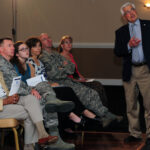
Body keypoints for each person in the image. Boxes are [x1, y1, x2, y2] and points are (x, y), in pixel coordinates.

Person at [0, 37, 75, 150]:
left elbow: (16, 83)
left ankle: (41, 136)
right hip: (4, 102)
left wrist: (30, 91)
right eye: (9, 45)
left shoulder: (8, 63)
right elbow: (15, 84)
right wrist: (28, 91)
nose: (12, 48)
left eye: (12, 45)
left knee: (33, 100)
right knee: (36, 105)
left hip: (12, 96)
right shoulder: (3, 63)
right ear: (1, 49)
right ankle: (39, 141)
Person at [39, 33, 123, 128]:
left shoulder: (55, 54)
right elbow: (54, 74)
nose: (49, 40)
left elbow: (71, 68)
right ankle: (104, 117)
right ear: (40, 43)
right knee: (84, 94)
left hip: (67, 80)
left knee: (92, 92)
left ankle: (106, 116)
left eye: (49, 37)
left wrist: (61, 67)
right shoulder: (43, 57)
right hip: (59, 84)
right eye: (45, 39)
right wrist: (63, 66)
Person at [114, 2, 150, 150]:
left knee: (149, 105)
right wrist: (128, 45)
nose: (131, 13)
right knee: (131, 105)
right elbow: (117, 51)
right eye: (127, 12)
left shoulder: (148, 25)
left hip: (146, 70)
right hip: (130, 72)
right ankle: (134, 133)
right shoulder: (121, 32)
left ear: (136, 11)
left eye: (132, 10)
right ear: (124, 17)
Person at [58, 35, 110, 107]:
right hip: (71, 83)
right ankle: (100, 110)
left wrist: (82, 77)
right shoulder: (60, 58)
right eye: (66, 43)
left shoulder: (70, 55)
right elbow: (63, 76)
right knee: (95, 88)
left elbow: (76, 71)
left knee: (97, 84)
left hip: (77, 79)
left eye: (70, 42)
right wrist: (79, 81)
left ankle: (104, 109)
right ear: (62, 45)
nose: (69, 44)